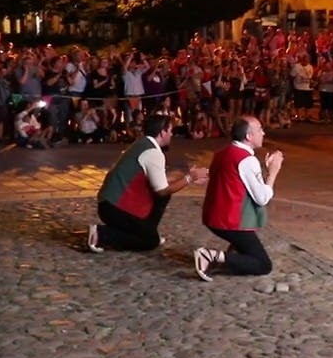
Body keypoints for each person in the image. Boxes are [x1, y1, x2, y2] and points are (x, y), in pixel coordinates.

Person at [89, 113, 208, 253]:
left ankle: (148, 230)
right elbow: (162, 190)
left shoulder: (142, 143)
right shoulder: (153, 153)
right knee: (149, 242)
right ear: (162, 132)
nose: (171, 135)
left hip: (109, 203)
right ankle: (102, 235)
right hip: (114, 207)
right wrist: (189, 178)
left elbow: (161, 182)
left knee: (162, 202)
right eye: (170, 131)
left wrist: (185, 177)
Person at [193, 116, 281, 281]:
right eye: (260, 130)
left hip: (213, 217)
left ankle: (230, 256)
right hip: (230, 222)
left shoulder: (221, 153)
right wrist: (273, 172)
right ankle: (210, 256)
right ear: (248, 137)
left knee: (247, 250)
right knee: (263, 264)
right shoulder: (247, 159)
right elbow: (262, 198)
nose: (263, 133)